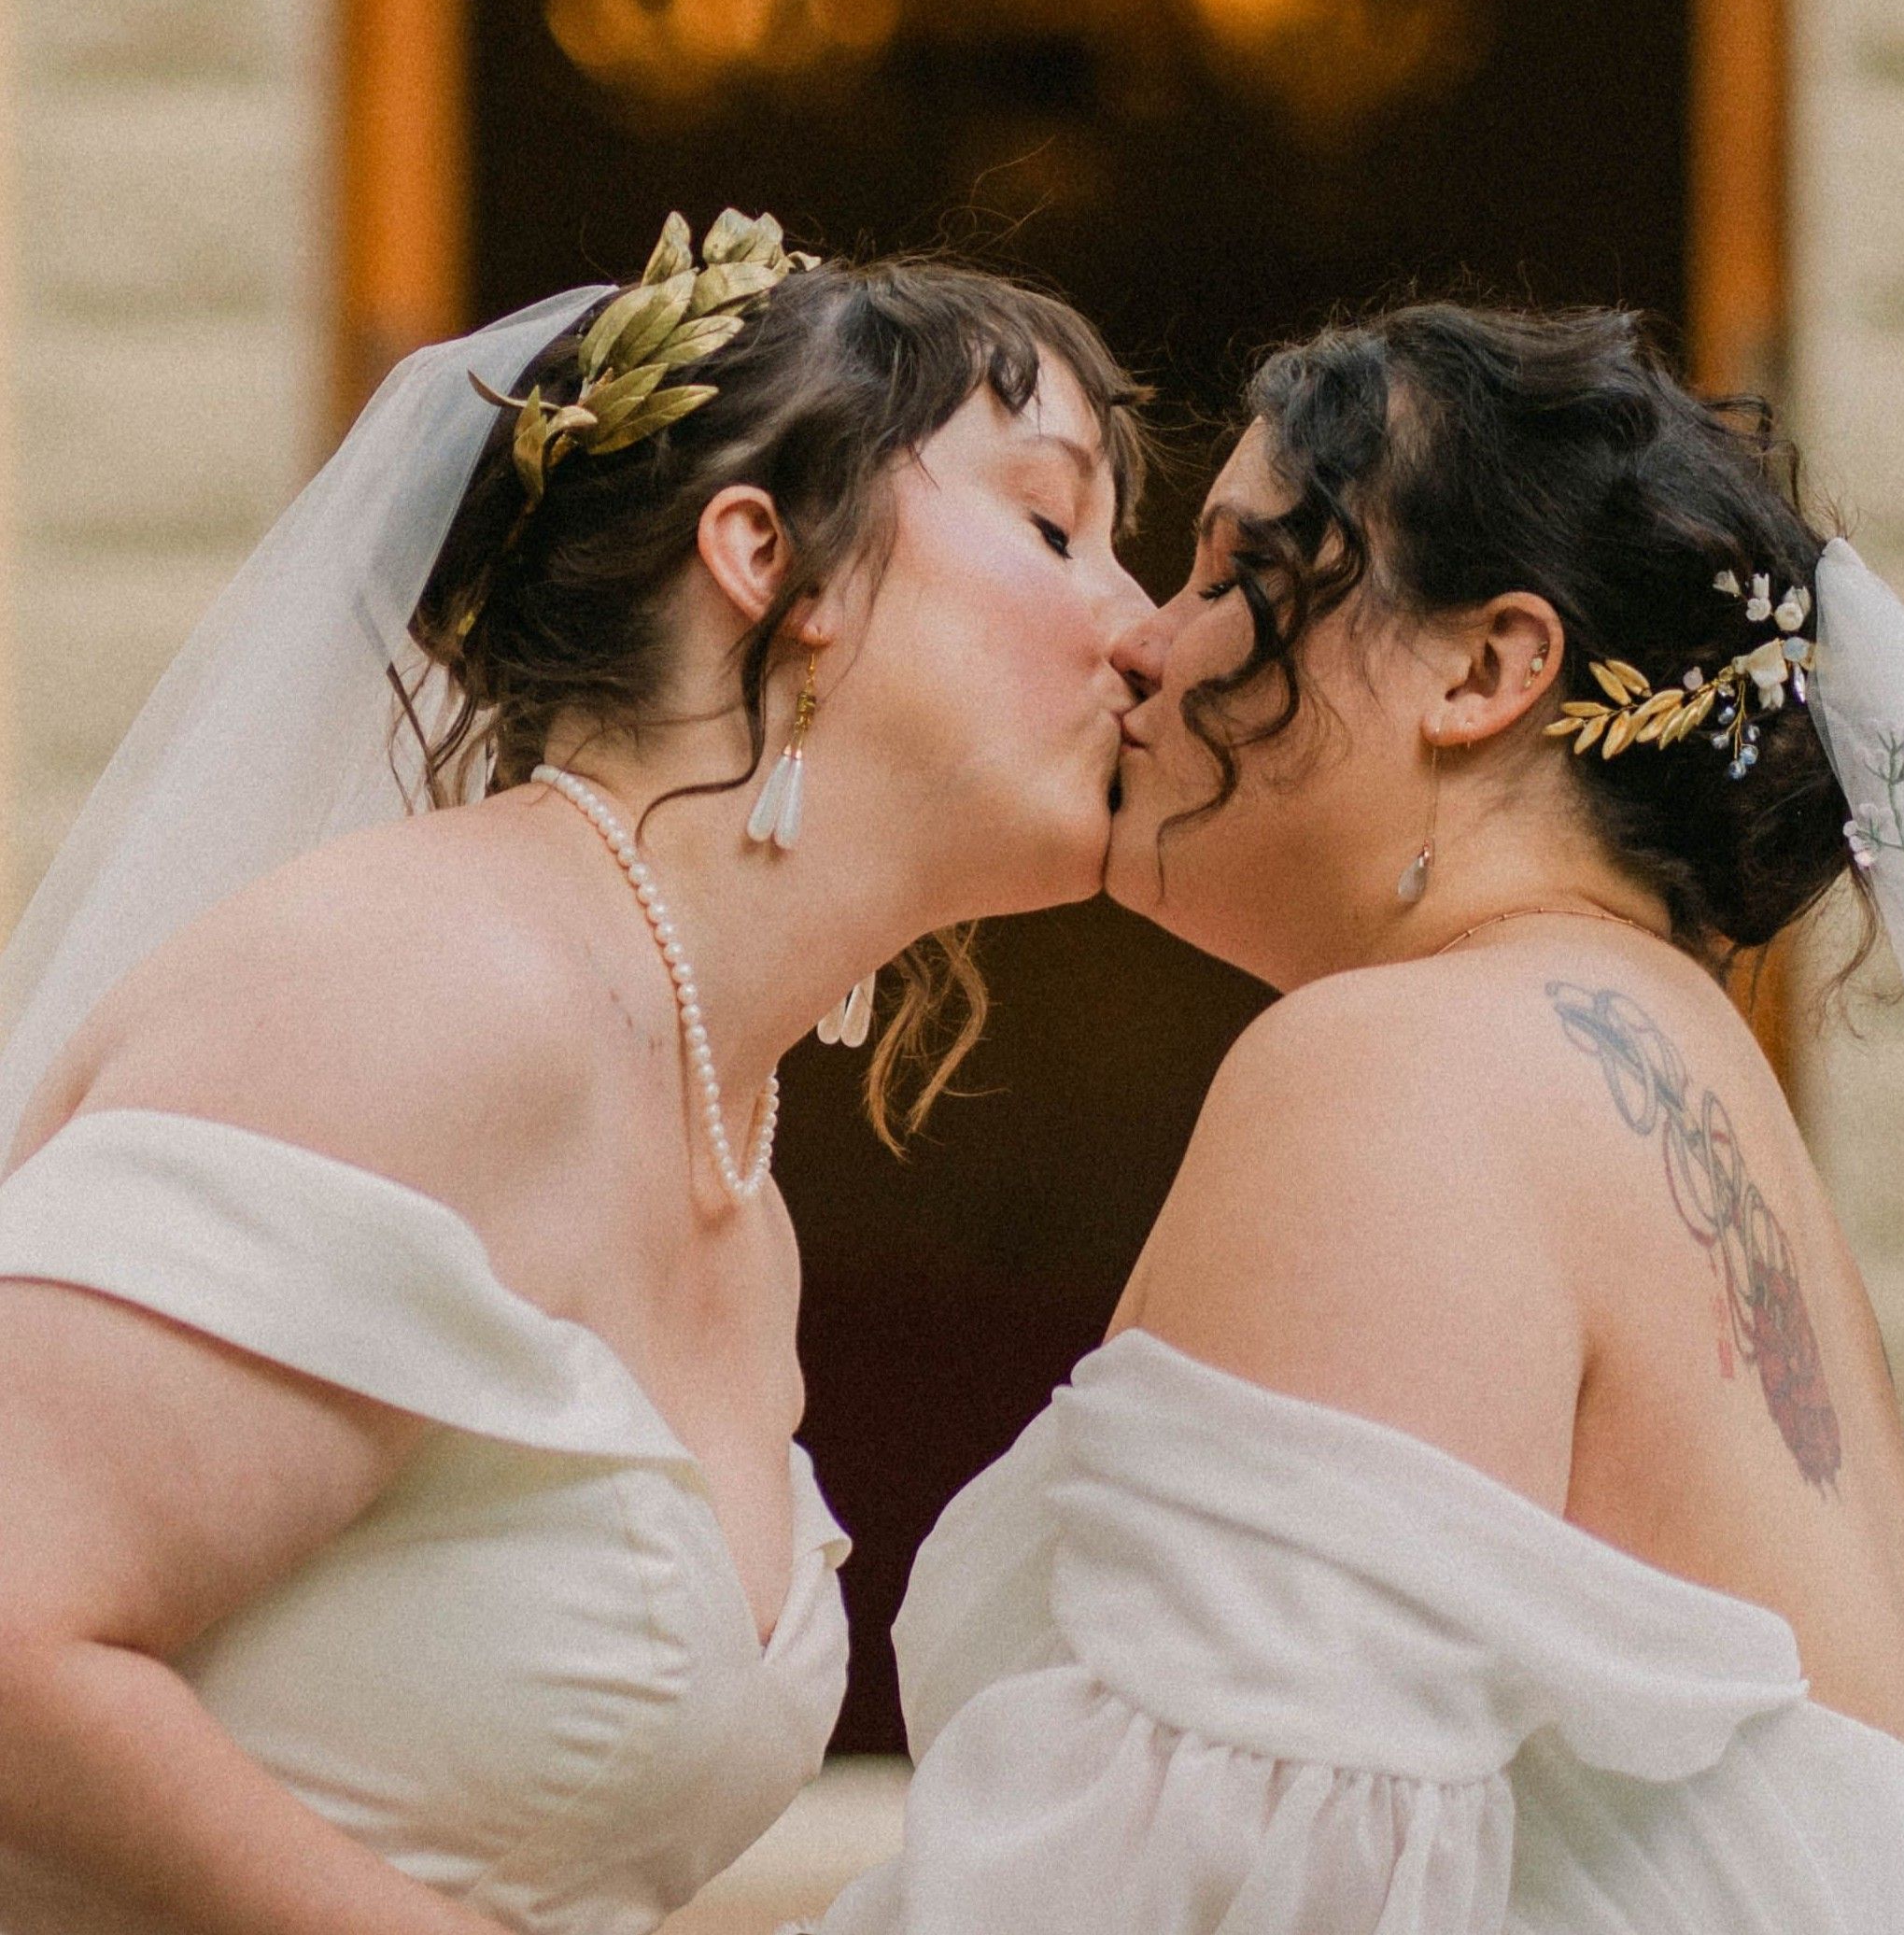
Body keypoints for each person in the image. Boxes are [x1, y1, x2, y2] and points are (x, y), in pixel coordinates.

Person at [0, 213, 1152, 1935]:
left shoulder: (730, 1162)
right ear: (775, 563)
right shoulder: (424, 988)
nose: (1139, 630)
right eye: (1056, 526)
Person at [824, 302, 1904, 1935]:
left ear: (1484, 667)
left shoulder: (1411, 1069)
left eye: (1235, 575)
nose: (1148, 643)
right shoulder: (1703, 1090)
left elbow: (1185, 1897)